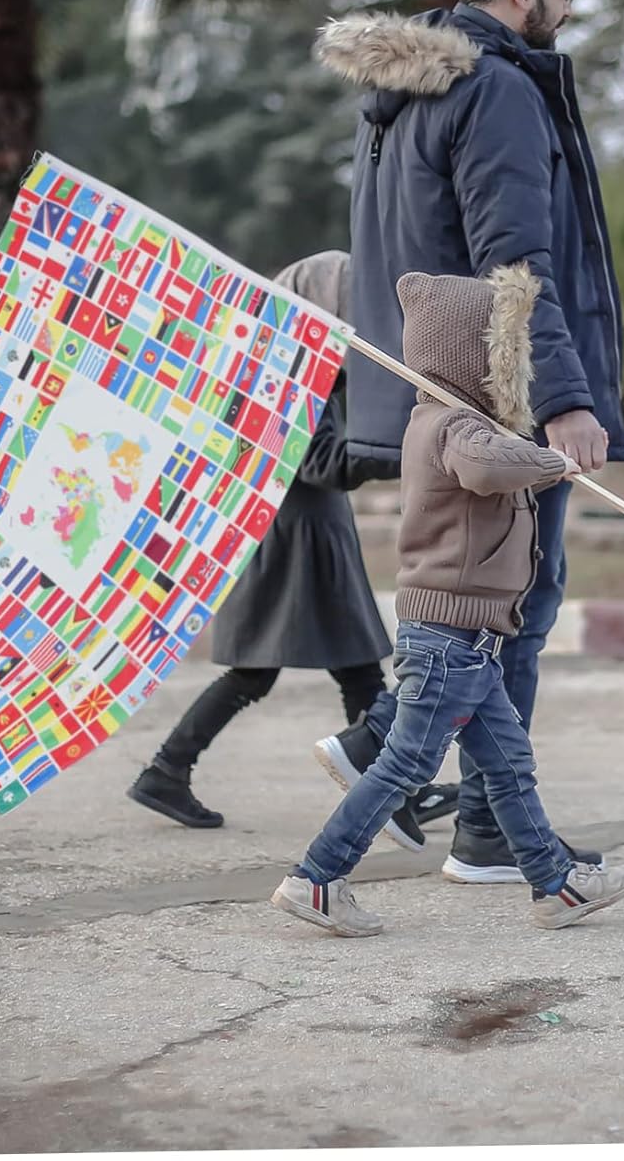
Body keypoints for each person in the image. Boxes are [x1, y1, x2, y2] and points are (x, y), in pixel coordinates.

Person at [312, 0, 624, 884]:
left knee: (488, 601)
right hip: (502, 393)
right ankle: (459, 807)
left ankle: (407, 764)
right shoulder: (495, 90)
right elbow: (516, 264)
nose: (568, 10)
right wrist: (567, 399)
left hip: (433, 385)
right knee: (519, 600)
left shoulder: (407, 93)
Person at [271, 265, 624, 936]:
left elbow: (495, 460)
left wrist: (532, 455)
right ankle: (317, 878)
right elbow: (488, 468)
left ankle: (556, 885)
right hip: (447, 639)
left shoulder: (460, 422)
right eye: (505, 354)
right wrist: (553, 461)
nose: (515, 369)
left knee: (508, 763)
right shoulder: (451, 426)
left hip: (471, 640)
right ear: (473, 359)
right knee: (405, 765)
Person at [128, 250, 457, 845]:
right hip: (296, 540)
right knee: (272, 671)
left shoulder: (306, 369)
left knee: (350, 669)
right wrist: (408, 450)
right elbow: (322, 462)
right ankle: (167, 769)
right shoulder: (284, 374)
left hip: (308, 532)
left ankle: (397, 789)